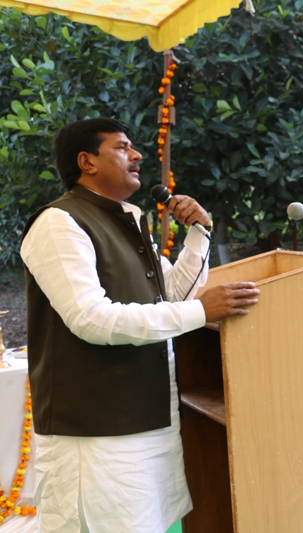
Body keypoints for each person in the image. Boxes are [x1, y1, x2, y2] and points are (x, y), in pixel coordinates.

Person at [20, 118, 260, 532]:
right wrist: (204, 311)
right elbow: (92, 319)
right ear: (87, 162)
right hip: (96, 434)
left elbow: (173, 297)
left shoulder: (127, 220)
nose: (137, 156)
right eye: (122, 147)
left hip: (148, 419)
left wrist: (199, 234)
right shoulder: (59, 223)